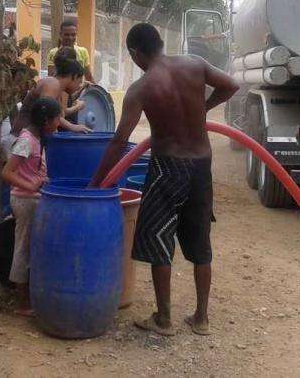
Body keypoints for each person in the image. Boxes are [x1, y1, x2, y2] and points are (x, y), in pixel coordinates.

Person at [89, 23, 239, 337]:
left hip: (168, 167)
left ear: (135, 53)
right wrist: (203, 108)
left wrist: (96, 183)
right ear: (160, 42)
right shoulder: (194, 64)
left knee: (159, 240)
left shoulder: (141, 88)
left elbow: (119, 142)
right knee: (200, 242)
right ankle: (201, 318)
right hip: (201, 164)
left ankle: (164, 319)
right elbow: (231, 85)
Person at [2, 97, 62, 316]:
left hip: (33, 199)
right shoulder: (27, 140)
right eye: (58, 119)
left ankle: (30, 295)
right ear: (46, 121)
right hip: (25, 200)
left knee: (30, 247)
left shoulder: (39, 137)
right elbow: (7, 172)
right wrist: (31, 184)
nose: (59, 123)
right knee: (23, 247)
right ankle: (22, 302)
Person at [9, 56, 91, 141]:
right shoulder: (52, 84)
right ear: (73, 76)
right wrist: (72, 126)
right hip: (21, 142)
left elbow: (58, 116)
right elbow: (46, 111)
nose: (79, 86)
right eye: (79, 82)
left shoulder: (58, 89)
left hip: (30, 141)